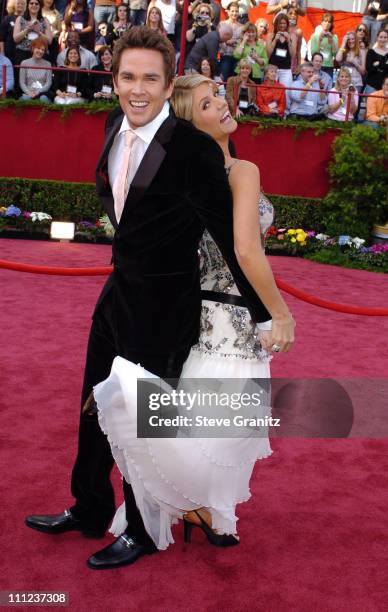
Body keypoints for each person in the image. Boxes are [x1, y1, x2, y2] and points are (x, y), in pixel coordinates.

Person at [24, 25, 294, 571]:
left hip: (168, 309)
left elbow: (228, 235)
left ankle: (145, 531)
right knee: (94, 408)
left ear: (169, 86)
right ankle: (90, 506)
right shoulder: (109, 124)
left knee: (143, 423)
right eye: (128, 76)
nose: (137, 89)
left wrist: (268, 314)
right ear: (115, 80)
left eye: (150, 78)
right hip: (116, 294)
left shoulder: (193, 149)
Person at [93, 71, 295, 554]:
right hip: (232, 321)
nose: (222, 106)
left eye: (217, 96)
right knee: (221, 430)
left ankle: (203, 509)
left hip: (197, 317)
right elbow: (247, 252)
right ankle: (192, 507)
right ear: (189, 124)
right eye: (206, 105)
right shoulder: (241, 171)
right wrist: (280, 313)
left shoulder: (187, 178)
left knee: (202, 426)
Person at [13, 0, 53, 65]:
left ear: (40, 6)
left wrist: (38, 32)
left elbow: (49, 41)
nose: (34, 5)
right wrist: (27, 30)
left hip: (40, 53)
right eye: (31, 3)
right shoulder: (20, 19)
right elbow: (15, 39)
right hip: (23, 52)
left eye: (36, 4)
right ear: (28, 5)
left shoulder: (45, 20)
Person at [266, 13, 296, 88]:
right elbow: (268, 53)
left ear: (287, 24)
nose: (282, 25)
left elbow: (293, 55)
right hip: (272, 68)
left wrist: (289, 40)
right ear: (276, 24)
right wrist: (275, 40)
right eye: (280, 23)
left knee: (286, 91)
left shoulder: (292, 35)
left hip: (286, 69)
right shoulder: (271, 35)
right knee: (271, 90)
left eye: (284, 23)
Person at [19, 35, 52, 100]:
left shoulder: (48, 64)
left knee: (44, 99)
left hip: (42, 93)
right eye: (38, 48)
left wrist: (38, 92)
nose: (41, 51)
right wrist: (29, 93)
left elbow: (48, 83)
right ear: (33, 48)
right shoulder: (24, 63)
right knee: (25, 98)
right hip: (28, 92)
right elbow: (22, 82)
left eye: (43, 50)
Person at [309, 12, 338, 78]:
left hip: (329, 66)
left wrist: (331, 40)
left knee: (327, 86)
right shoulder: (314, 36)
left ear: (331, 24)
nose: (327, 24)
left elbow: (335, 54)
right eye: (325, 21)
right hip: (317, 66)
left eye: (329, 22)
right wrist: (320, 40)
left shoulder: (334, 37)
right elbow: (313, 53)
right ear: (321, 22)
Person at [218, 2, 242, 81]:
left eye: (236, 11)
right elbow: (218, 39)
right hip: (225, 56)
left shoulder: (242, 26)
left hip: (237, 58)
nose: (234, 13)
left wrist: (234, 42)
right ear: (227, 11)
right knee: (224, 79)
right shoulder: (222, 24)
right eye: (232, 11)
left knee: (235, 81)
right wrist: (227, 42)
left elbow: (243, 41)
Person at [365, 28, 388, 93]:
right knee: (370, 102)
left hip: (385, 86)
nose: (383, 39)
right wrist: (384, 65)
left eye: (385, 37)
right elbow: (369, 68)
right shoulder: (371, 52)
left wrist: (377, 64)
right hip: (372, 85)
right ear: (377, 38)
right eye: (381, 37)